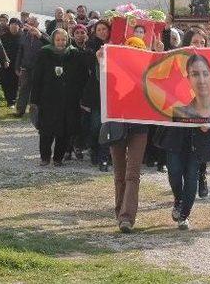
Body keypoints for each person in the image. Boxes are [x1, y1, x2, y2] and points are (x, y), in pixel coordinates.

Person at [100, 34, 164, 233]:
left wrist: (160, 55)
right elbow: (102, 85)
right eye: (131, 50)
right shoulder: (114, 71)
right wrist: (101, 61)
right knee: (119, 172)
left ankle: (127, 217)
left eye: (139, 50)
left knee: (133, 173)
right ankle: (120, 211)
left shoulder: (147, 74)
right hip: (117, 126)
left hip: (139, 129)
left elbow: (163, 83)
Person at [30, 29, 87, 166]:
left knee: (64, 131)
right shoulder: (44, 53)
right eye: (58, 40)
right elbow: (37, 77)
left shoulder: (74, 54)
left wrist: (80, 97)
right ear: (53, 40)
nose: (61, 43)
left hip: (69, 100)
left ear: (67, 40)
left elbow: (82, 77)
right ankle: (45, 157)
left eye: (63, 40)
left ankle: (58, 158)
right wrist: (34, 100)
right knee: (46, 131)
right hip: (48, 98)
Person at [154, 123, 210, 230]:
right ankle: (179, 200)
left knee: (191, 176)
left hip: (196, 138)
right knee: (174, 173)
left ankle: (184, 215)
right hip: (174, 134)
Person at [180, 28, 210, 198]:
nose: (199, 45)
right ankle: (188, 178)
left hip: (204, 108)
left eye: (202, 42)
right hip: (186, 108)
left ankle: (202, 174)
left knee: (203, 142)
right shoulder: (178, 60)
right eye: (195, 42)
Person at [81, 20, 112, 171]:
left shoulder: (114, 43)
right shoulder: (91, 44)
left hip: (113, 92)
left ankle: (106, 155)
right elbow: (86, 61)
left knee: (110, 127)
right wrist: (96, 56)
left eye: (104, 29)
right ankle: (94, 151)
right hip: (96, 94)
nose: (102, 32)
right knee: (95, 126)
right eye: (99, 29)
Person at [15, 17, 50, 117]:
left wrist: (39, 36)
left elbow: (50, 44)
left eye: (32, 23)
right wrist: (17, 67)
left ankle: (36, 111)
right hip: (26, 66)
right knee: (23, 88)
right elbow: (20, 52)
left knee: (38, 89)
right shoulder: (24, 36)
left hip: (39, 67)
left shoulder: (43, 35)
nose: (30, 26)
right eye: (28, 23)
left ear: (37, 24)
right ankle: (20, 110)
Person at [0, 18, 22, 107]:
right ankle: (8, 98)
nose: (13, 28)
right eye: (12, 26)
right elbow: (0, 49)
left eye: (15, 26)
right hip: (5, 64)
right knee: (5, 82)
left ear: (19, 27)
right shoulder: (3, 37)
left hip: (17, 64)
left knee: (14, 83)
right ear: (9, 26)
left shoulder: (22, 37)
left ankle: (12, 101)